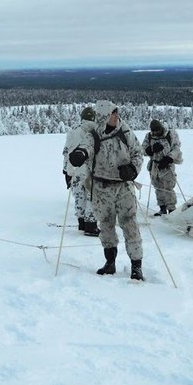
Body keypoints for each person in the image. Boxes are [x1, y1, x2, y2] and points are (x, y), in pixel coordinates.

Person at [67, 100, 145, 280]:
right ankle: (110, 263)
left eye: (117, 112)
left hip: (123, 186)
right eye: (113, 113)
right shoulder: (92, 135)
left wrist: (133, 169)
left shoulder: (125, 131)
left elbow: (137, 153)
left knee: (130, 225)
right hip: (101, 188)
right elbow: (86, 147)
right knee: (106, 226)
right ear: (103, 116)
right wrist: (80, 154)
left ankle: (136, 266)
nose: (117, 116)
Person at [62, 106, 99, 236]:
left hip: (74, 169)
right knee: (92, 197)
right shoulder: (96, 131)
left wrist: (66, 170)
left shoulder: (73, 131)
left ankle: (81, 222)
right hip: (90, 169)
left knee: (79, 196)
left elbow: (66, 152)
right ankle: (91, 225)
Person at [142, 119, 183, 215]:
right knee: (157, 187)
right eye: (153, 131)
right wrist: (150, 150)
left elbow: (176, 148)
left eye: (157, 130)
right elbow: (142, 149)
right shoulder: (148, 136)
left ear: (161, 128)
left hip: (167, 165)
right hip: (154, 165)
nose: (155, 133)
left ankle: (172, 210)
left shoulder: (170, 134)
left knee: (168, 187)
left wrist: (169, 158)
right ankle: (162, 208)